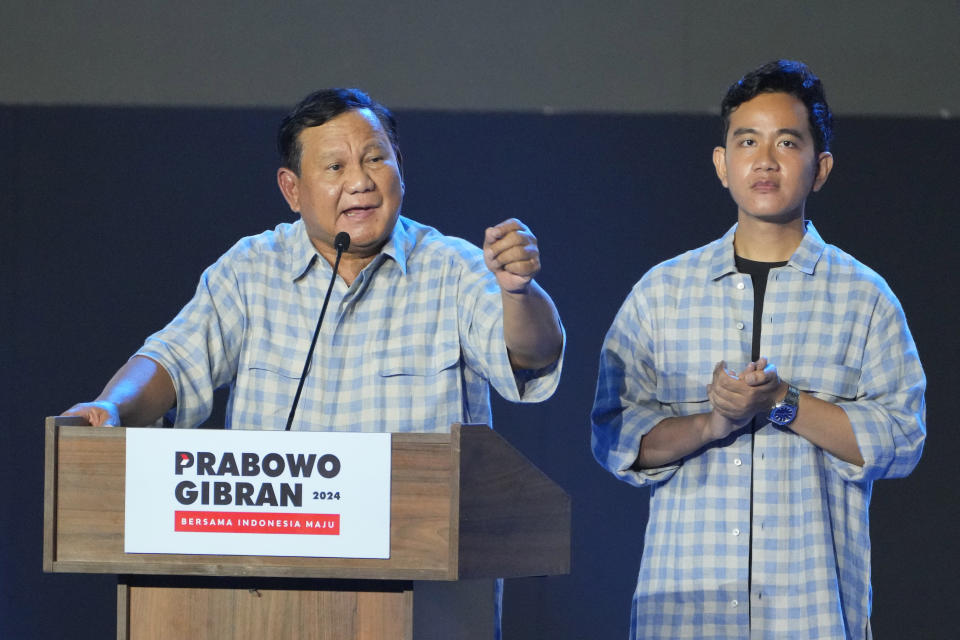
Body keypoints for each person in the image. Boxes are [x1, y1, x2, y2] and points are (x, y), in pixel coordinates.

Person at [591, 60, 925, 639]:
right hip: (684, 615)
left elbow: (902, 439)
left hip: (811, 615)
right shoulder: (661, 293)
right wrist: (711, 423)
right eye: (747, 141)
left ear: (819, 169)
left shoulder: (863, 297)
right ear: (722, 164)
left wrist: (784, 402)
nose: (764, 160)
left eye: (786, 142)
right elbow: (614, 437)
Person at [63, 87, 564, 435]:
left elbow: (533, 353)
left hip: (423, 566)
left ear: (400, 168)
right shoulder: (252, 270)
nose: (361, 182)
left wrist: (517, 291)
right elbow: (172, 362)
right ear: (293, 189)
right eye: (335, 167)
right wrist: (112, 407)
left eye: (375, 158)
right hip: (278, 564)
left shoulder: (454, 266)